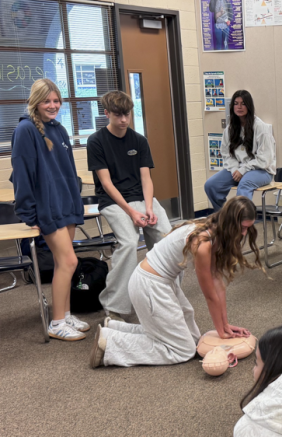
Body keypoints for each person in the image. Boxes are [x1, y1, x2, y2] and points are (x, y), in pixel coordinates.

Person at [89, 196, 262, 368]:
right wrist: (221, 332)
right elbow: (210, 296)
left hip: (162, 282)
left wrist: (225, 326)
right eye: (243, 227)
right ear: (230, 222)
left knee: (194, 339)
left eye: (248, 227)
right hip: (149, 285)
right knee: (183, 350)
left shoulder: (213, 228)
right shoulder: (202, 243)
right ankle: (110, 344)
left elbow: (218, 283)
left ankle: (117, 328)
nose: (244, 233)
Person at [11, 78, 87, 341]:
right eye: (47, 101)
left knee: (61, 263)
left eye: (56, 101)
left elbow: (69, 172)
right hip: (48, 208)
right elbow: (22, 175)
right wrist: (29, 213)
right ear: (36, 102)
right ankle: (56, 323)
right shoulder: (25, 130)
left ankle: (64, 314)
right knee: (69, 261)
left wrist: (76, 200)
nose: (53, 106)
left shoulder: (59, 129)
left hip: (66, 204)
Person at [87, 91, 172, 322]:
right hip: (114, 201)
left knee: (166, 237)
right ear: (107, 114)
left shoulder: (139, 140)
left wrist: (149, 207)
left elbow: (146, 179)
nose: (124, 120)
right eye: (118, 115)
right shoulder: (96, 141)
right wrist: (132, 211)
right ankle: (115, 306)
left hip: (142, 198)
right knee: (129, 242)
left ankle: (163, 294)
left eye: (127, 114)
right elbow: (106, 183)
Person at [204, 90, 276, 211]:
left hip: (262, 170)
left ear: (249, 106)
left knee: (244, 185)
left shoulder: (260, 127)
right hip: (237, 169)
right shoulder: (230, 128)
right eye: (236, 103)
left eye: (243, 103)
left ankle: (241, 222)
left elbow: (264, 160)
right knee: (211, 185)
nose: (239, 107)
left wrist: (243, 170)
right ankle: (225, 218)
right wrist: (235, 169)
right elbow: (227, 154)